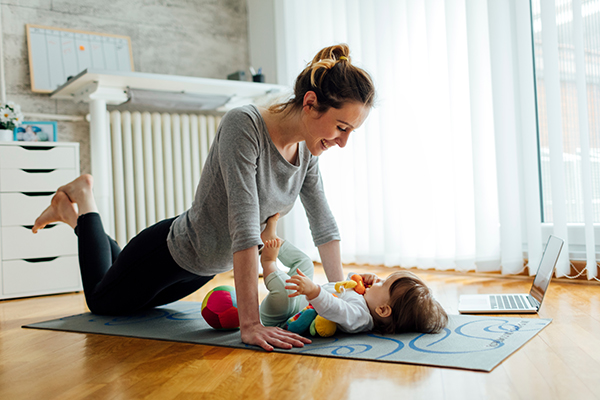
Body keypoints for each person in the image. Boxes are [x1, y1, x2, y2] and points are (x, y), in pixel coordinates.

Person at [31, 43, 376, 352]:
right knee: (102, 301)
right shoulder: (245, 125)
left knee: (131, 298)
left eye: (351, 132)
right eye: (341, 127)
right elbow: (243, 224)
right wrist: (251, 324)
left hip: (203, 269)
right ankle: (81, 203)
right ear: (311, 103)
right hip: (170, 253)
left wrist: (340, 293)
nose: (343, 142)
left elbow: (323, 222)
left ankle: (73, 211)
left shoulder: (307, 152)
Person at [259, 215, 448, 334]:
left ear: (382, 310)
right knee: (305, 263)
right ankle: (272, 240)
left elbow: (335, 307)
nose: (377, 280)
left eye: (383, 284)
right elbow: (343, 286)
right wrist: (358, 277)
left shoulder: (360, 317)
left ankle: (268, 262)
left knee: (285, 289)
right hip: (299, 297)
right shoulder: (365, 300)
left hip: (283, 315)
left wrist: (314, 291)